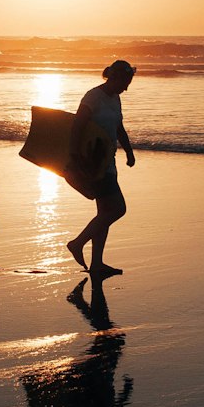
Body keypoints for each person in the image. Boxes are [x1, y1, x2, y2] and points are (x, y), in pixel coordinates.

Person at [66, 59, 135, 277]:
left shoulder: (115, 99)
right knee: (117, 209)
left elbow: (119, 127)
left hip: (109, 160)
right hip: (94, 162)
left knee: (104, 213)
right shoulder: (92, 96)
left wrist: (129, 151)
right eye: (125, 82)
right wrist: (76, 156)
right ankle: (77, 243)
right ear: (114, 77)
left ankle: (97, 263)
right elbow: (77, 125)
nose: (126, 88)